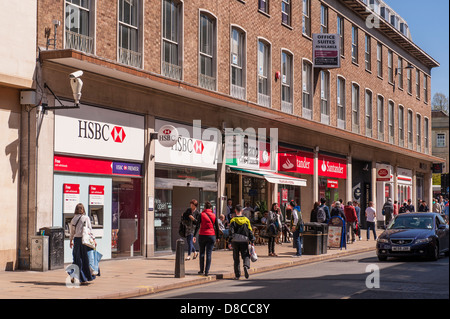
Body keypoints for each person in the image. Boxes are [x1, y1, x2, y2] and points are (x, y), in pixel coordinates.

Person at [69, 203, 97, 284]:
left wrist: (71, 241)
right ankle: (85, 277)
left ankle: (75, 276)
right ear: (83, 209)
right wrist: (94, 240)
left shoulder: (73, 219)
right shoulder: (86, 218)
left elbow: (72, 232)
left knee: (77, 259)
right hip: (85, 241)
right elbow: (90, 230)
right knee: (86, 259)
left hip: (77, 241)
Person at [228, 205, 255, 279]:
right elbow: (250, 230)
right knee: (246, 255)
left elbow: (231, 232)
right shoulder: (246, 220)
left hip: (235, 240)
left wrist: (230, 241)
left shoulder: (233, 220)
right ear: (242, 211)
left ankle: (237, 275)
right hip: (244, 240)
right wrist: (252, 240)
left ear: (235, 211)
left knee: (236, 258)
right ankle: (246, 266)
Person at [197, 202, 219, 276]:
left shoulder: (201, 215)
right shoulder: (214, 215)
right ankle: (207, 271)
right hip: (211, 235)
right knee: (209, 254)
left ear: (204, 208)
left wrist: (194, 235)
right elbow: (217, 227)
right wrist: (218, 237)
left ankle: (201, 270)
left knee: (202, 253)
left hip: (202, 235)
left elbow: (197, 225)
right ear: (211, 208)